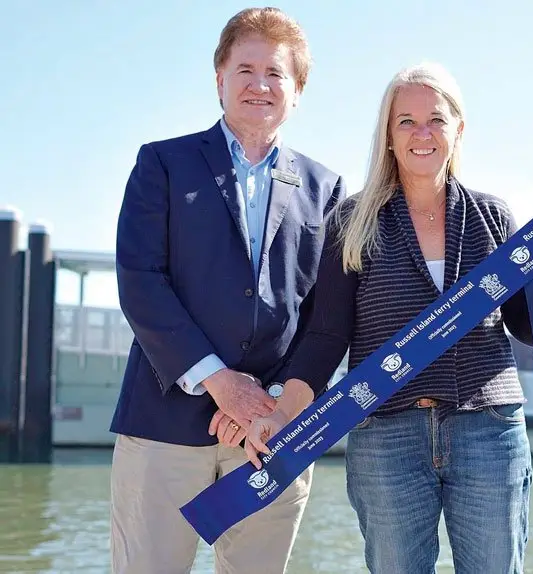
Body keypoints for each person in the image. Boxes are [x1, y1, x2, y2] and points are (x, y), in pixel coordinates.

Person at [243, 62, 533, 573]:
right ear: (388, 134)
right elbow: (326, 334)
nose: (422, 134)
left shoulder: (493, 216)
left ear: (458, 128)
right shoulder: (352, 222)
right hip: (387, 436)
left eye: (436, 120)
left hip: (488, 430)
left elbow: (525, 326)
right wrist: (281, 413)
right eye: (406, 121)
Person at [109, 8, 346, 573]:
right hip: (164, 426)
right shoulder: (163, 163)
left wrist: (273, 403)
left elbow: (328, 317)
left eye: (276, 73)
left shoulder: (327, 188)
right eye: (245, 68)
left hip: (272, 433)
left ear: (298, 90)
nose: (259, 84)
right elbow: (140, 280)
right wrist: (222, 383)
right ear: (219, 78)